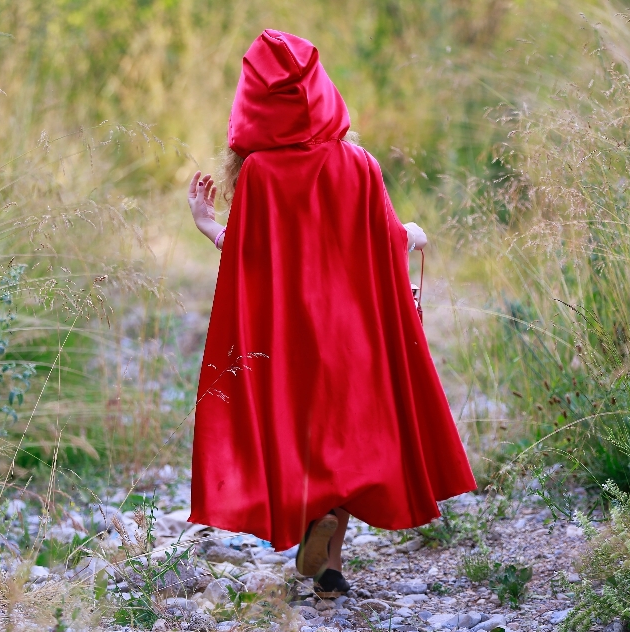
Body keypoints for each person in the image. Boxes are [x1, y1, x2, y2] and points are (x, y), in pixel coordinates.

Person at [186, 29, 476, 597]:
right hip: (354, 337)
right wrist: (414, 233)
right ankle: (328, 567)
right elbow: (390, 238)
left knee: (306, 437)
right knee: (345, 438)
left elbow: (247, 257)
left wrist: (205, 222)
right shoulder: (360, 165)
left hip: (290, 339)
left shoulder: (262, 178)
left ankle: (319, 549)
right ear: (321, 93)